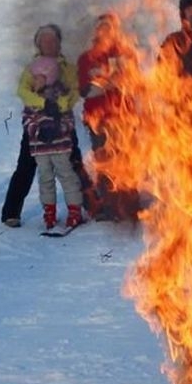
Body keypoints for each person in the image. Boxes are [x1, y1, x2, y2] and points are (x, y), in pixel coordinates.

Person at [18, 24, 87, 231]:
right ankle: (46, 212)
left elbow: (73, 94)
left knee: (69, 172)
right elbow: (23, 94)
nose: (49, 44)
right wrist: (40, 109)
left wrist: (58, 108)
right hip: (39, 145)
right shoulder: (32, 67)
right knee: (42, 176)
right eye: (45, 41)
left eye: (53, 40)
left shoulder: (66, 70)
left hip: (61, 143)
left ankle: (78, 209)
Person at [77, 13, 139, 221]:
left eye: (109, 28)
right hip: (98, 119)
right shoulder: (86, 58)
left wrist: (116, 80)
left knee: (127, 161)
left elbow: (135, 84)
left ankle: (130, 204)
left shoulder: (125, 54)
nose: (105, 32)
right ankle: (109, 205)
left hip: (124, 118)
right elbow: (84, 90)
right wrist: (107, 83)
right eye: (101, 28)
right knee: (104, 162)